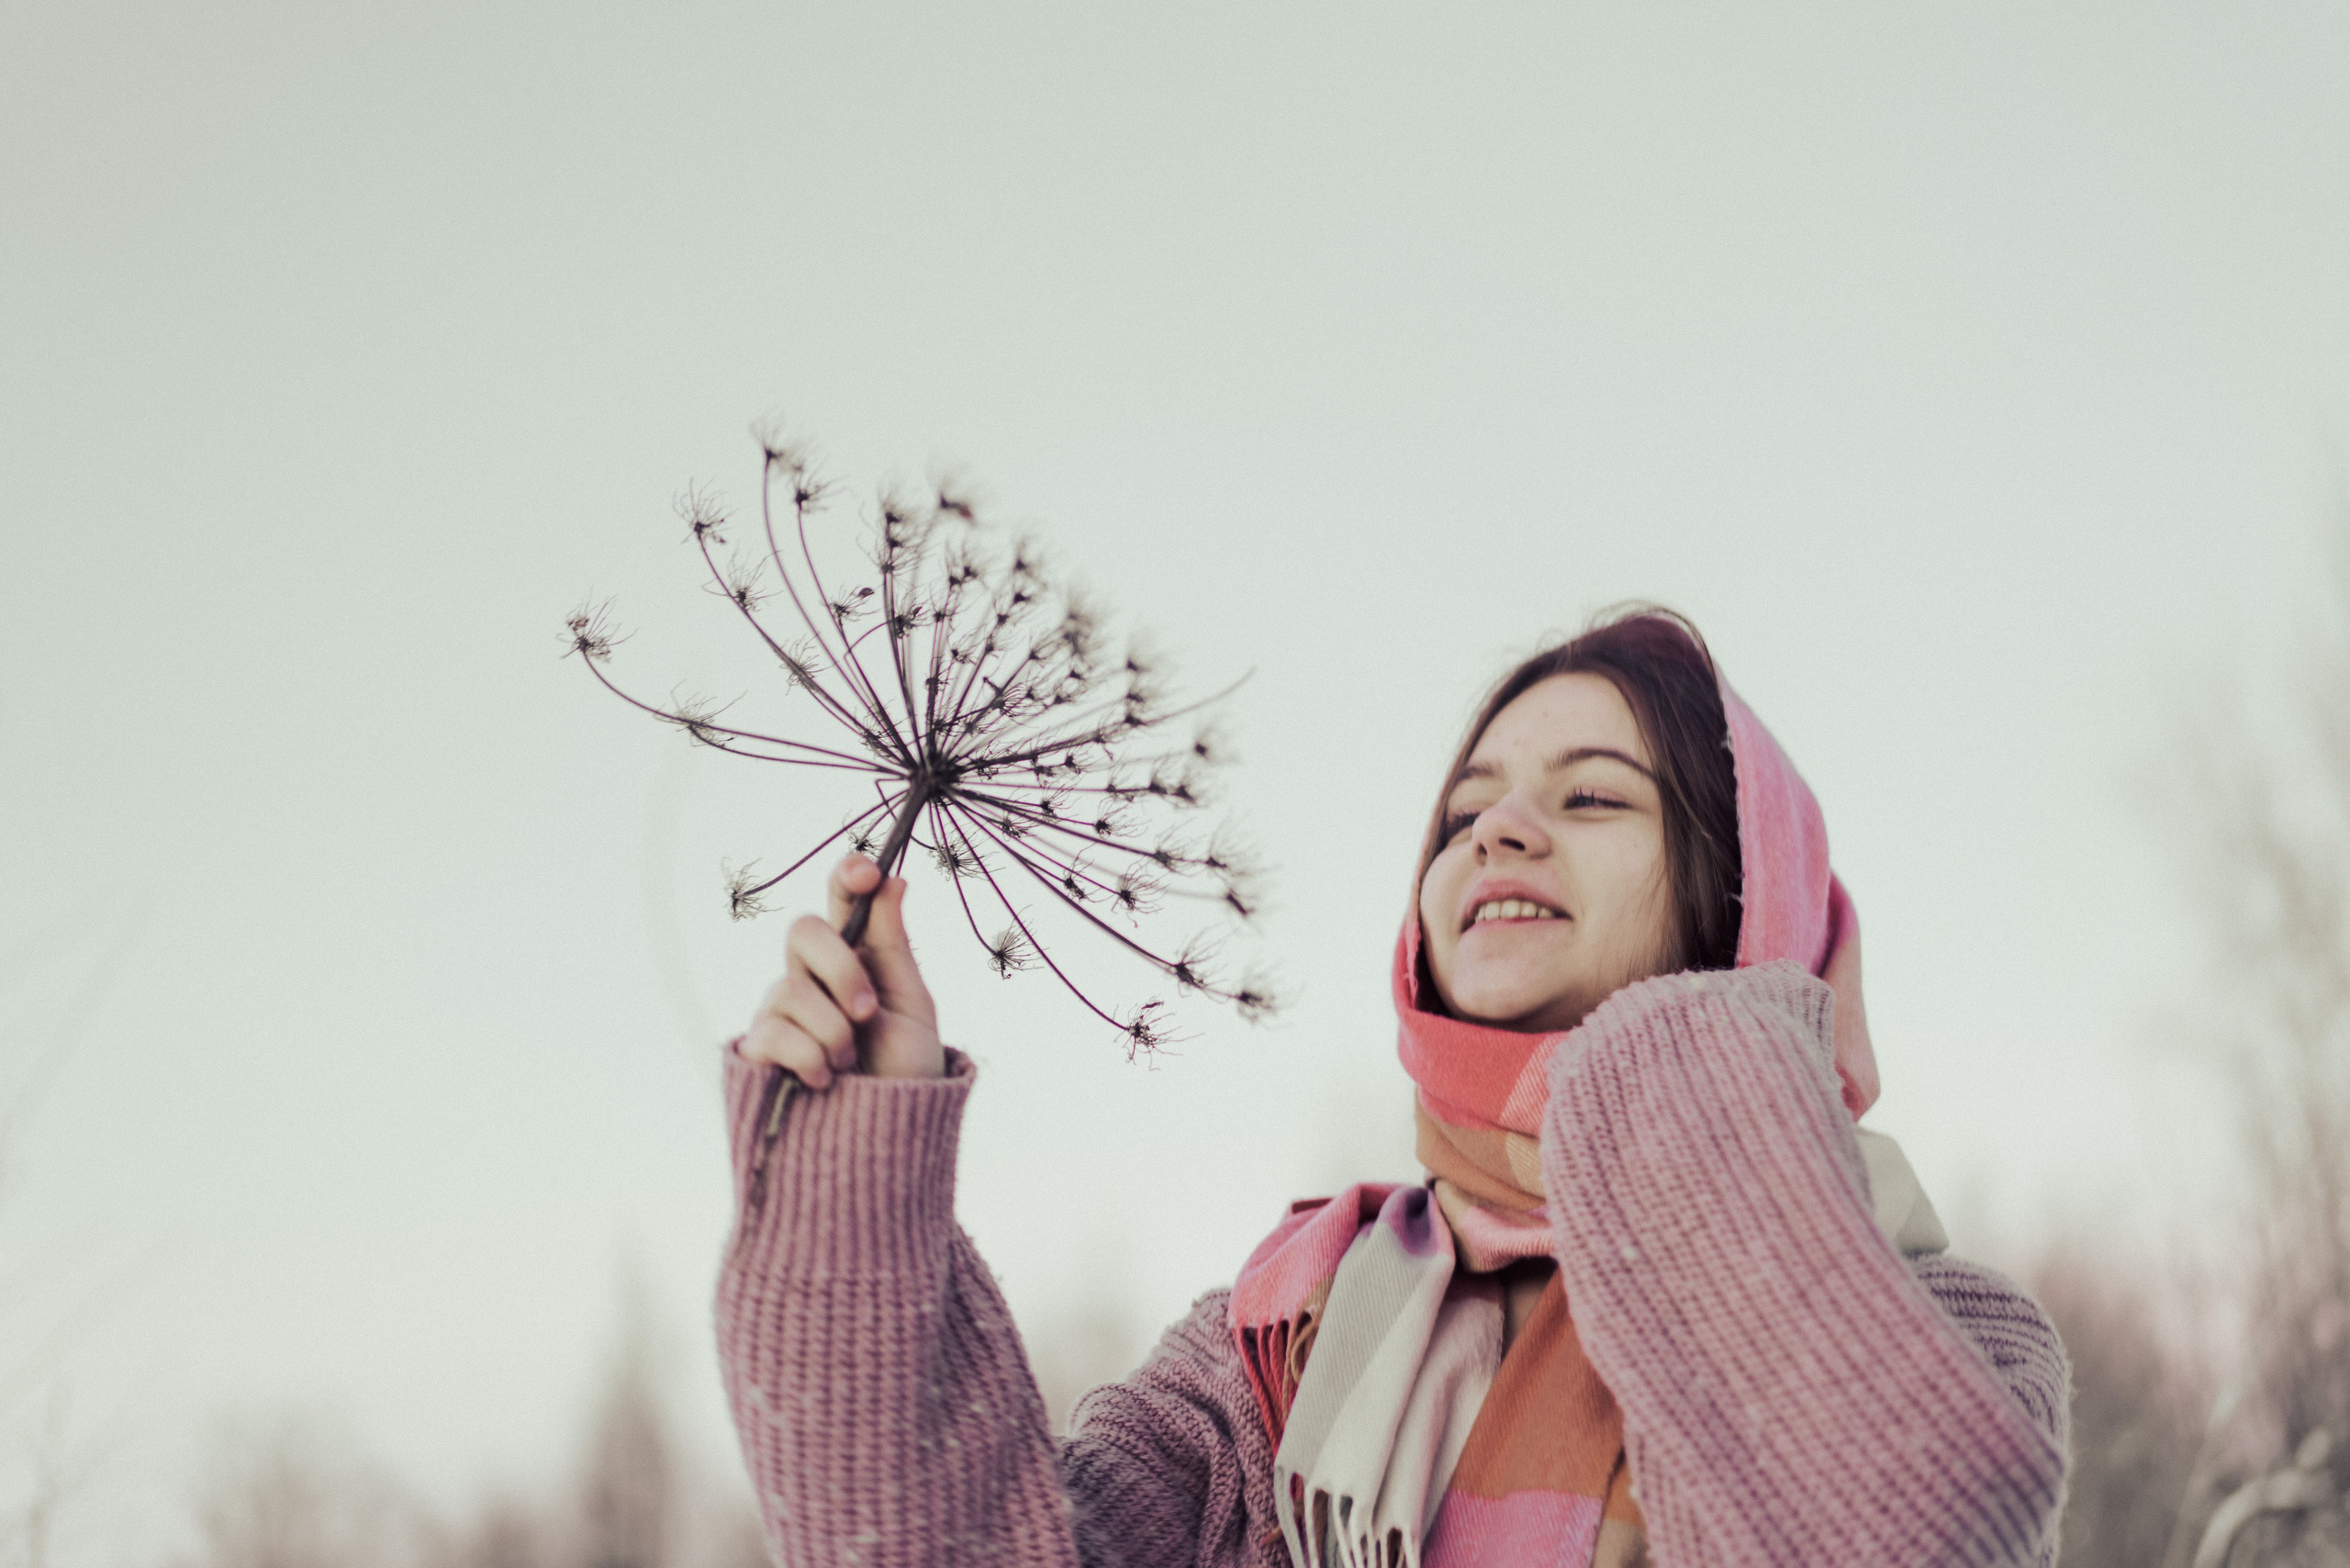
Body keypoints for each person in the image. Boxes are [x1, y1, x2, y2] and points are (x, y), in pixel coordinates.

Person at [713, 608, 2071, 1568]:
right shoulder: (1279, 1344)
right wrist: (858, 1187)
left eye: (1594, 800)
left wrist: (1685, 1083)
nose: (1501, 827)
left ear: (1738, 896)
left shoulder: (1955, 1338)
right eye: (1464, 808)